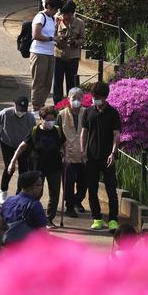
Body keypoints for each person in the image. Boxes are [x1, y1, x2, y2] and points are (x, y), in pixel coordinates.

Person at [8, 106, 66, 225]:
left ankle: (49, 219)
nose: (50, 122)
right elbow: (22, 146)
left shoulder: (57, 130)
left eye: (52, 119)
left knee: (54, 194)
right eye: (47, 119)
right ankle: (31, 216)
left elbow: (65, 144)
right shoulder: (35, 131)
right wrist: (13, 161)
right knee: (35, 193)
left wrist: (66, 155)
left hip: (55, 167)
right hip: (37, 168)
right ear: (41, 119)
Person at [80, 81, 122, 231]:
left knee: (111, 190)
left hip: (107, 158)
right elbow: (84, 132)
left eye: (97, 97)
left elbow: (116, 135)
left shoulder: (113, 113)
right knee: (92, 190)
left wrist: (113, 153)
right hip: (91, 157)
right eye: (93, 97)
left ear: (104, 97)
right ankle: (97, 218)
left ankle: (113, 219)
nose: (94, 99)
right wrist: (83, 151)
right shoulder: (88, 112)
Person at [0, 96, 36, 203]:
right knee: (9, 168)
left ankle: (20, 193)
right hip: (7, 143)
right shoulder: (6, 113)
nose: (21, 113)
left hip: (23, 146)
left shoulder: (30, 118)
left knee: (23, 169)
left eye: (23, 111)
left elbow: (33, 133)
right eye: (19, 110)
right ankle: (3, 190)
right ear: (14, 105)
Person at [0, 171, 48, 245]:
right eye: (40, 185)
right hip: (25, 248)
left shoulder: (8, 200)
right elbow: (44, 234)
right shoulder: (35, 205)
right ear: (34, 187)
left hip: (8, 245)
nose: (41, 188)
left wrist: (13, 231)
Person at [30, 0, 61, 108]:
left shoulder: (51, 18)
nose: (55, 12)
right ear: (48, 6)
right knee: (39, 82)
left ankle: (41, 105)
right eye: (55, 9)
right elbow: (36, 35)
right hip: (39, 53)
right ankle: (36, 107)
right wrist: (52, 39)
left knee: (47, 83)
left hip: (49, 53)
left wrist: (56, 38)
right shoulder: (40, 17)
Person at [60, 87, 87, 217]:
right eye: (73, 98)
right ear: (68, 99)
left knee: (83, 184)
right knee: (68, 183)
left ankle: (77, 201)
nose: (76, 100)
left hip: (83, 155)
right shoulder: (61, 115)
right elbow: (58, 134)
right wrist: (61, 152)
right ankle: (69, 206)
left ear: (82, 99)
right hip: (67, 155)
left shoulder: (86, 113)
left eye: (79, 98)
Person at [53, 0, 85, 104]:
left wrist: (75, 42)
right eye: (63, 14)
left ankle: (71, 104)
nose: (65, 17)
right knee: (57, 83)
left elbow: (83, 39)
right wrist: (58, 39)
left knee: (71, 84)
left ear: (72, 13)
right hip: (59, 56)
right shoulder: (57, 21)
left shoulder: (80, 23)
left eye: (67, 14)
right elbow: (51, 36)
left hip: (73, 58)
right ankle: (57, 104)